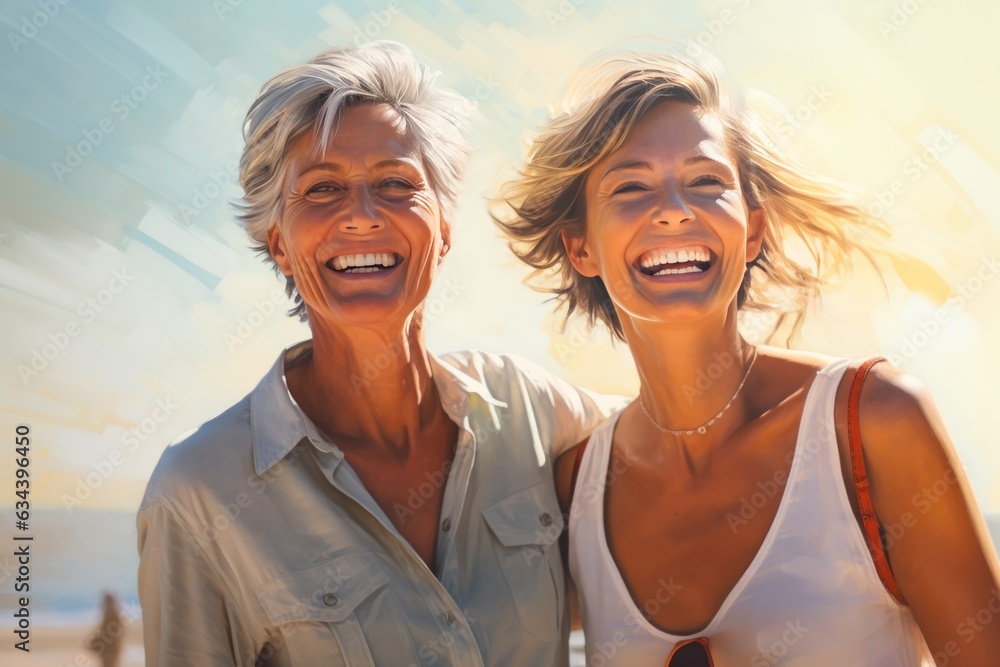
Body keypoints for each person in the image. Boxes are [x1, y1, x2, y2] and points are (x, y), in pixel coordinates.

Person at [494, 52, 1000, 665]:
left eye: (707, 180)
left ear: (753, 229)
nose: (675, 208)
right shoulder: (577, 488)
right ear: (581, 249)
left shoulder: (871, 424)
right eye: (630, 186)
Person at [136, 41, 623, 666]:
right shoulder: (198, 490)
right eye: (321, 189)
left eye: (396, 184)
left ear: (443, 229)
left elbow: (687, 451)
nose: (362, 217)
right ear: (278, 243)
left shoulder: (532, 410)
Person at [85, 592, 124, 667]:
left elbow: (104, 631)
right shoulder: (115, 613)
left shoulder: (110, 614)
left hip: (109, 649)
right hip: (113, 648)